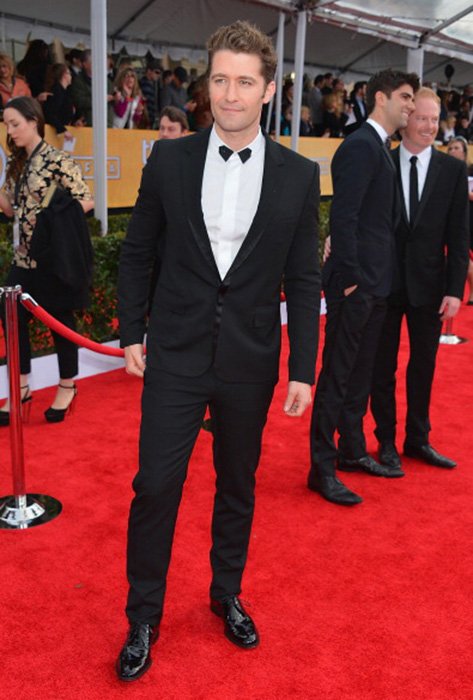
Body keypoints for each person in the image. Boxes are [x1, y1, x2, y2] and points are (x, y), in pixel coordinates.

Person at [116, 19, 320, 682]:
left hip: (250, 359)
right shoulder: (169, 160)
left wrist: (302, 368)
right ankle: (142, 616)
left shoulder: (296, 174)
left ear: (267, 90)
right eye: (220, 79)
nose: (229, 94)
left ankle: (225, 593)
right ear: (208, 83)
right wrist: (129, 332)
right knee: (155, 485)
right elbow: (139, 250)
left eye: (244, 82)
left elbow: (303, 277)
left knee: (237, 483)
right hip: (174, 352)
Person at [308, 69, 419, 506]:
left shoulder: (381, 149)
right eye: (406, 97)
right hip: (356, 285)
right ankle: (321, 467)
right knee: (337, 375)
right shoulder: (359, 147)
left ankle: (351, 451)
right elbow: (345, 218)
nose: (410, 106)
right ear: (381, 98)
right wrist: (352, 279)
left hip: (376, 285)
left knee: (360, 377)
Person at [370, 89, 469, 471]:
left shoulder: (452, 170)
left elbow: (460, 236)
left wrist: (454, 289)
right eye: (422, 118)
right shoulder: (384, 162)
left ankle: (417, 439)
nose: (429, 126)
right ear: (406, 119)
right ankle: (386, 441)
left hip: (430, 287)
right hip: (386, 284)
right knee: (382, 368)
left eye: (435, 119)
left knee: (423, 365)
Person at [0, 96, 94, 425]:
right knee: (11, 320)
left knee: (60, 323)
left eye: (15, 124)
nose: (10, 131)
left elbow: (86, 200)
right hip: (22, 260)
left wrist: (52, 220)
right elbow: (9, 209)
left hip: (53, 260)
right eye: (7, 125)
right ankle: (21, 386)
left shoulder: (56, 159)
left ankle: (67, 386)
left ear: (33, 121)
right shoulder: (16, 164)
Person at [446, 136, 473, 304]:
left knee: (466, 255)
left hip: (467, 216)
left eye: (456, 148)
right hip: (447, 217)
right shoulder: (443, 170)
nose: (452, 151)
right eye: (450, 148)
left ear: (464, 152)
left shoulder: (469, 170)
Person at [42, 63, 75, 139]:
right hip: (56, 134)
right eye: (69, 73)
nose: (71, 76)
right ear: (64, 75)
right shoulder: (57, 91)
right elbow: (50, 113)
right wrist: (62, 129)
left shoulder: (64, 91)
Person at [139, 59, 162, 129]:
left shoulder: (153, 85)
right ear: (149, 71)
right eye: (157, 72)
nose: (158, 75)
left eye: (160, 73)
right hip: (144, 122)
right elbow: (146, 105)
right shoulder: (143, 84)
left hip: (149, 122)